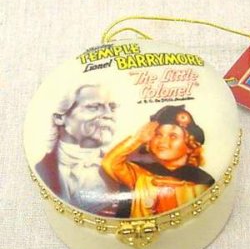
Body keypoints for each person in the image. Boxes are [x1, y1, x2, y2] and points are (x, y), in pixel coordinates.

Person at [102, 105, 215, 218]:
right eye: (158, 134)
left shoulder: (201, 181)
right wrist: (137, 139)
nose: (162, 141)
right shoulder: (141, 174)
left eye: (173, 136)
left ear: (190, 145)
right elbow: (110, 163)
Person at [35, 84, 122, 216]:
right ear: (60, 118)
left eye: (112, 108)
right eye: (94, 107)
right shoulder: (41, 170)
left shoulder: (125, 171)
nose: (109, 115)